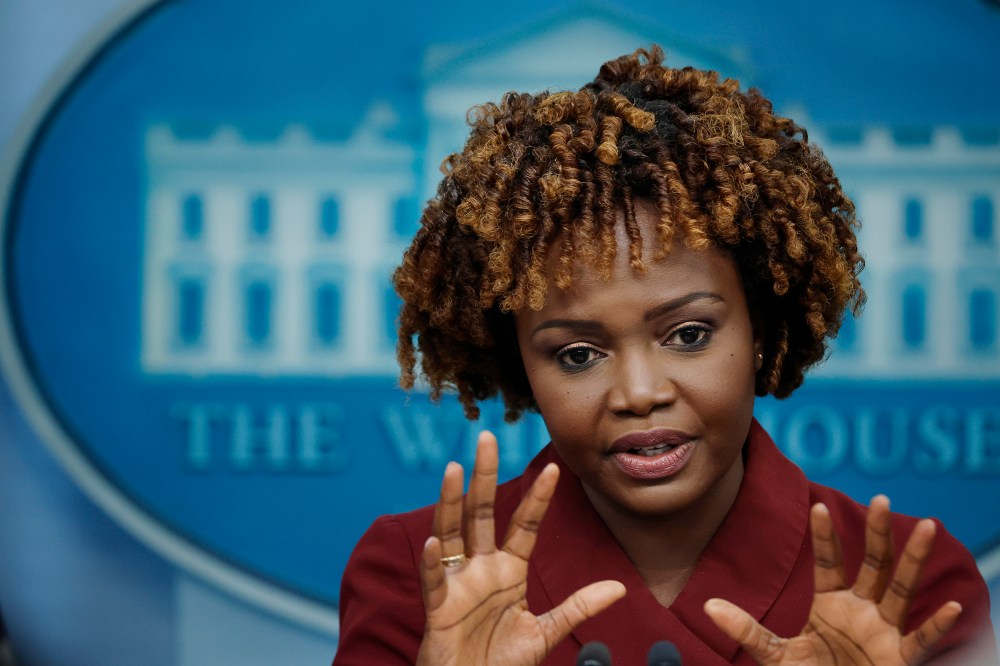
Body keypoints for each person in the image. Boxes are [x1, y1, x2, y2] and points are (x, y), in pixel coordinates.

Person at [333, 46, 997, 664]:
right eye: (577, 355)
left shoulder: (908, 581)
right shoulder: (417, 577)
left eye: (688, 336)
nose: (639, 392)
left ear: (760, 326)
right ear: (519, 368)